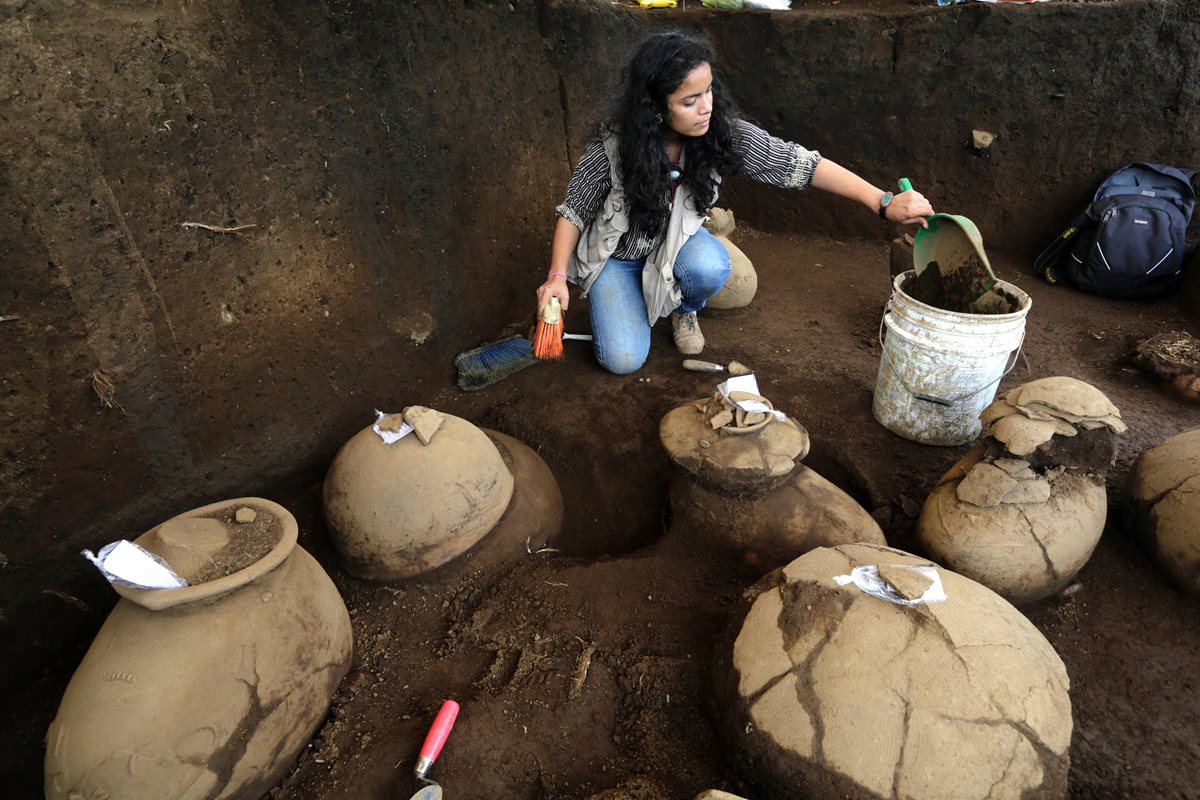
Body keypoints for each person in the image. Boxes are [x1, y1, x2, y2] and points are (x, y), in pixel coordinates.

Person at [535, 30, 933, 375]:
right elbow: (575, 211)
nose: (706, 106)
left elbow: (802, 165)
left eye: (708, 91)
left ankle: (682, 307)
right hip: (618, 258)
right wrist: (556, 277)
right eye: (689, 100)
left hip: (676, 248)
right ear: (656, 108)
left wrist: (882, 202)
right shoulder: (612, 147)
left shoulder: (721, 133)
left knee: (712, 267)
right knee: (622, 360)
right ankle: (633, 299)